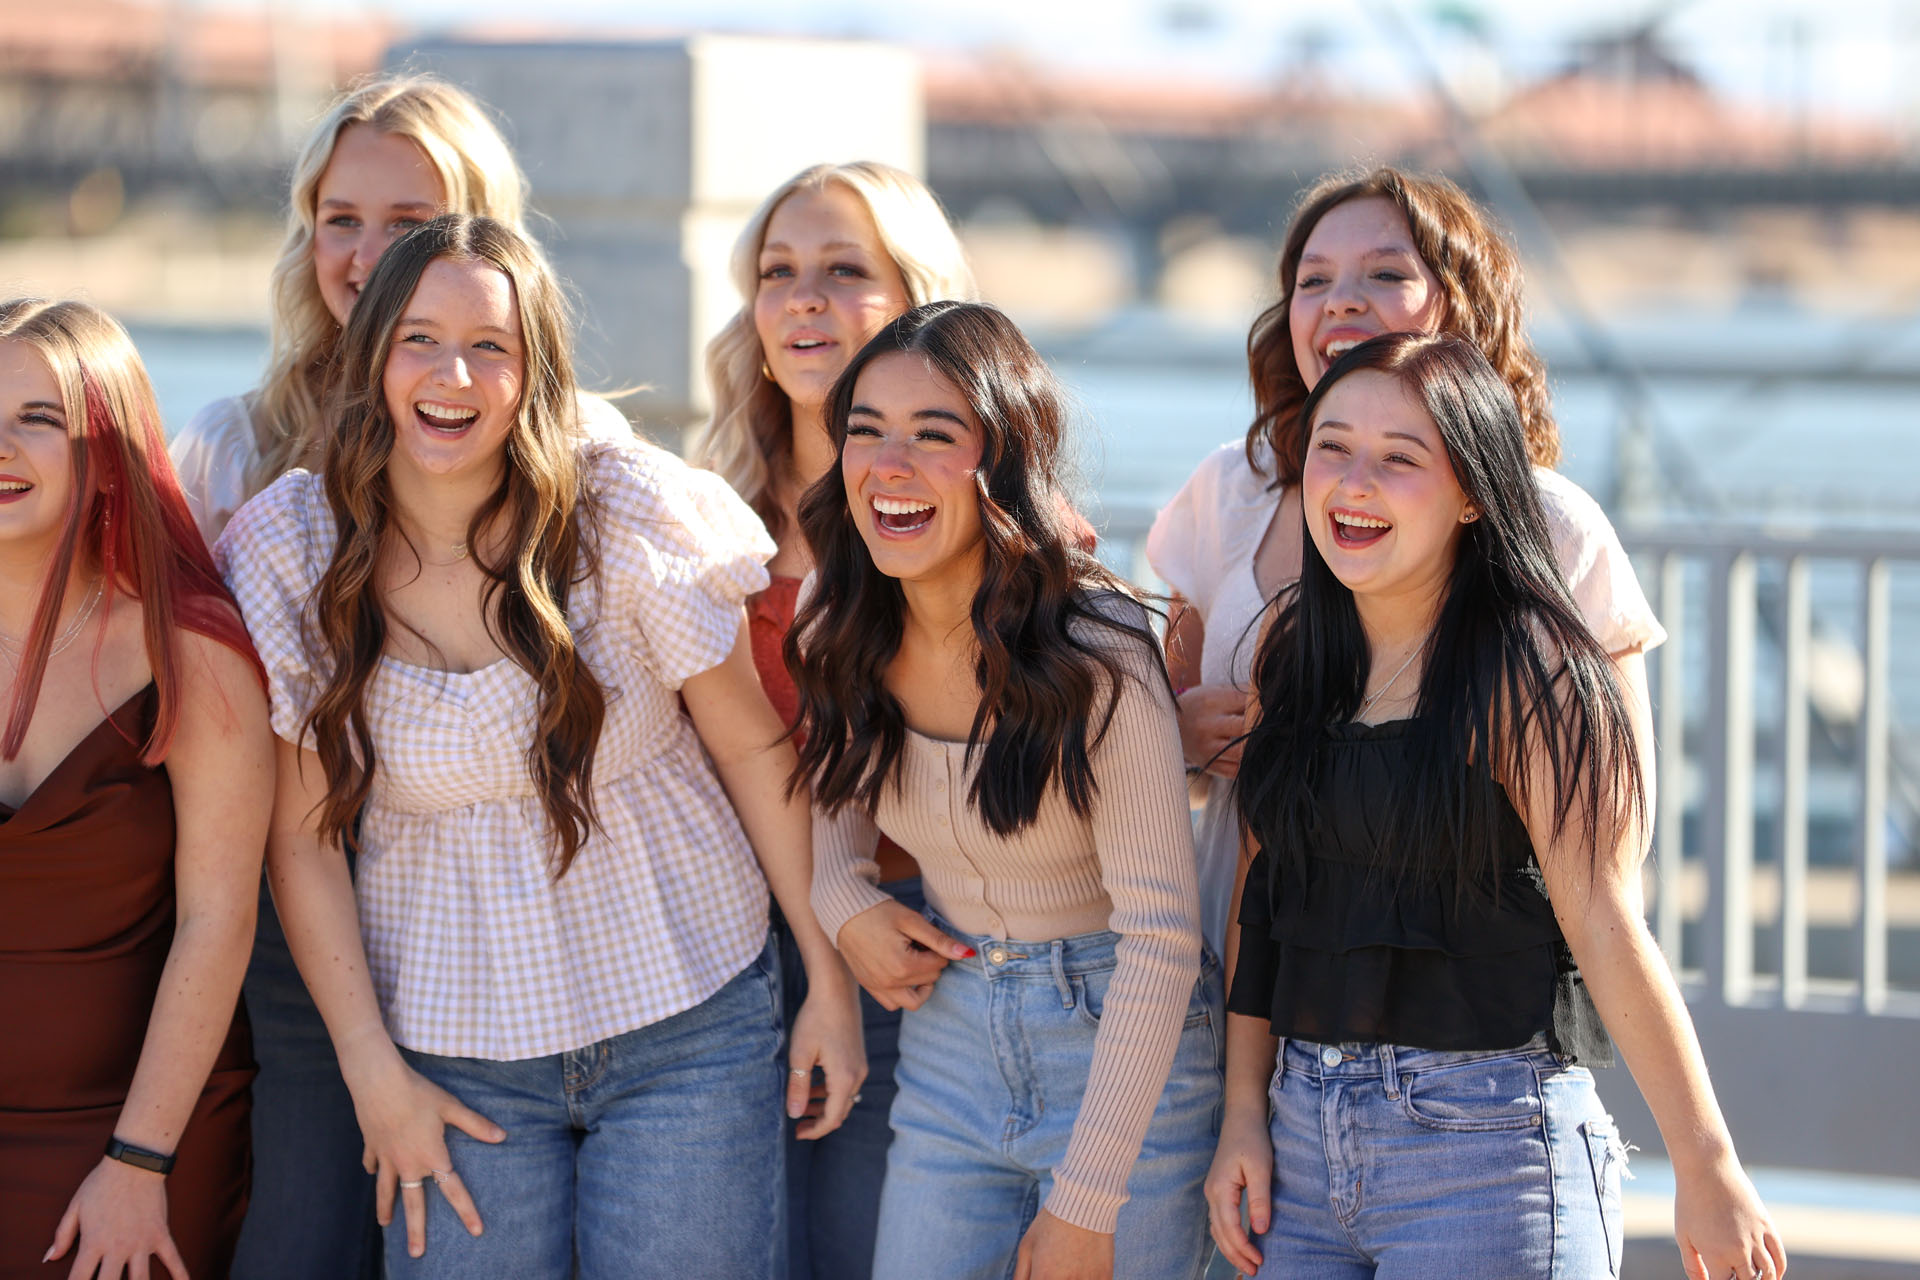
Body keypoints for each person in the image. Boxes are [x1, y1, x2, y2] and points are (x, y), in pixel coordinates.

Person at [216, 214, 863, 1278]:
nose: (452, 373)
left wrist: (826, 981)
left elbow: (754, 751)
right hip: (451, 1050)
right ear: (372, 349)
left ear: (535, 370)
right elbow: (302, 839)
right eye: (419, 337)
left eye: (491, 346)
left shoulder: (622, 512)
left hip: (687, 1016)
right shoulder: (294, 549)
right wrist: (373, 1075)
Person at [168, 73, 633, 1280]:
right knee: (305, 1238)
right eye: (341, 217)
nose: (370, 254)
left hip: (502, 944)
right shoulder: (230, 449)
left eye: (411, 220)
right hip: (297, 920)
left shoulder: (579, 450)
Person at [1203, 331, 1786, 1280]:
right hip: (1302, 1147)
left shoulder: (1529, 669)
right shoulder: (1295, 653)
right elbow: (1263, 905)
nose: (1354, 482)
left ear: (1473, 493)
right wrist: (1242, 1114)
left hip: (1489, 1154)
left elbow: (1603, 919)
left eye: (1401, 459)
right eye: (1333, 448)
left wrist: (1706, 1165)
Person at [1146, 166, 1665, 963]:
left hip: (1456, 1028)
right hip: (1238, 993)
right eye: (1312, 281)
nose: (1340, 299)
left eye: (1386, 273)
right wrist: (1178, 738)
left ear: (1464, 308)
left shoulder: (1556, 525)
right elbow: (1161, 730)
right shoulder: (1227, 493)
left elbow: (1618, 837)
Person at [796, 301, 1216, 1280]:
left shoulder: (1097, 648)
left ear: (1005, 461)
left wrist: (1088, 1197)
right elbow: (835, 824)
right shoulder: (846, 628)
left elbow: (1163, 936)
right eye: (866, 431)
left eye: (933, 436)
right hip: (948, 1047)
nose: (889, 465)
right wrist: (843, 895)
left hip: (1123, 1045)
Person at [690, 159, 976, 1280]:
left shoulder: (992, 523)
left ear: (919, 299)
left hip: (921, 951)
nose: (802, 298)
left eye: (844, 270)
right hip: (721, 959)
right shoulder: (705, 518)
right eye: (778, 272)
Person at [0, 299, 271, 1279]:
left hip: (133, 1141)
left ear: (103, 446)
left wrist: (139, 1156)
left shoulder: (188, 649)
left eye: (38, 416)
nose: (3, 445)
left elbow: (217, 919)